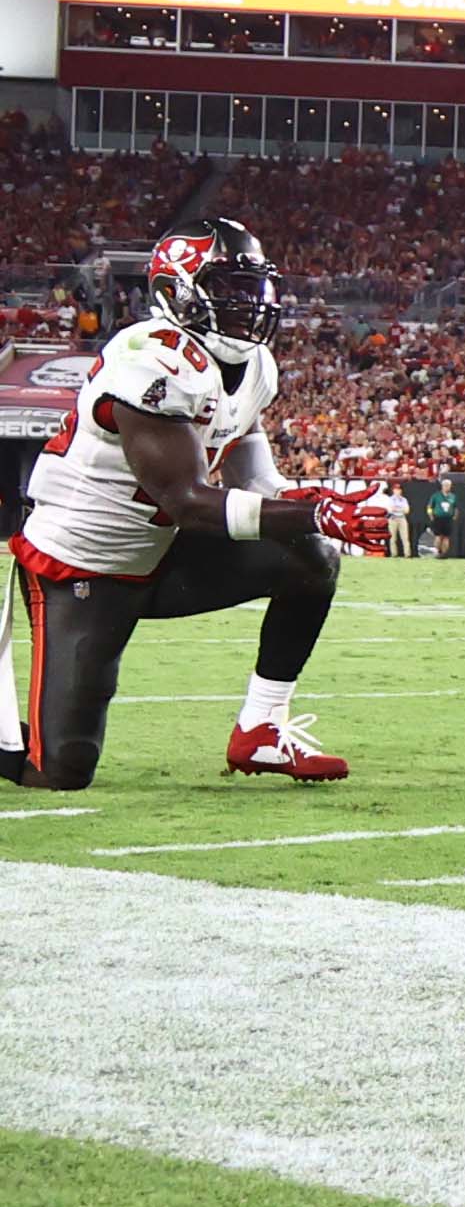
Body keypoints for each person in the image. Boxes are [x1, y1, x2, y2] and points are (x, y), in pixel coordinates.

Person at [5, 226, 397, 790]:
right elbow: (189, 502)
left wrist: (323, 505)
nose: (247, 304)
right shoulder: (149, 360)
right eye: (229, 286)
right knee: (60, 770)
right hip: (86, 565)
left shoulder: (256, 365)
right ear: (179, 289)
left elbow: (258, 480)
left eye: (253, 287)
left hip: (163, 554)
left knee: (311, 557)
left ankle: (261, 728)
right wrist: (316, 513)